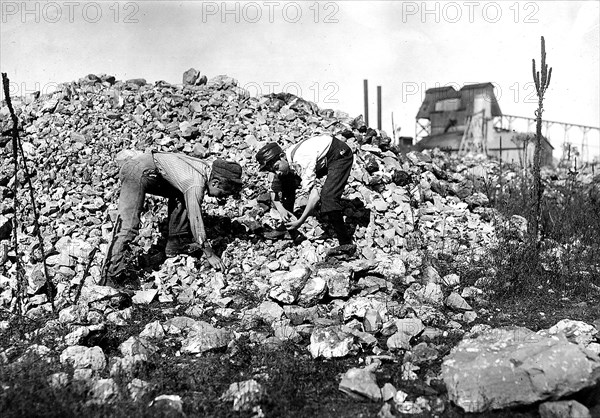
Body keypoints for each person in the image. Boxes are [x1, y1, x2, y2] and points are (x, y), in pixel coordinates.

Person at [101, 151, 243, 290]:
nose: (222, 199)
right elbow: (196, 219)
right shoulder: (195, 184)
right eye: (223, 194)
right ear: (216, 182)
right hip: (136, 171)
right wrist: (210, 254)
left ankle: (177, 242)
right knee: (128, 224)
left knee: (182, 194)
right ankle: (110, 275)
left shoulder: (205, 170)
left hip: (152, 170)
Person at [256, 134, 356, 257]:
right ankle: (287, 227)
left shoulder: (301, 160)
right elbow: (274, 193)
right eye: (273, 170)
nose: (276, 172)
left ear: (282, 157)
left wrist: (300, 221)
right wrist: (282, 210)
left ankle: (346, 245)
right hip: (320, 159)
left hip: (338, 154)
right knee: (285, 180)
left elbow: (315, 197)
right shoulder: (283, 164)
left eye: (276, 168)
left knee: (328, 197)